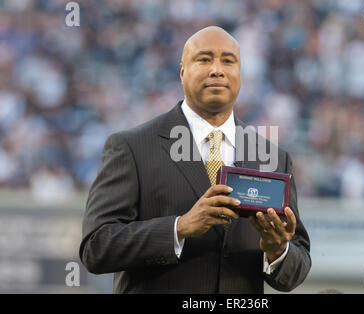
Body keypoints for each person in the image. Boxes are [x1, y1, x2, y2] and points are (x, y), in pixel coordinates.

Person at [79, 26, 311, 293]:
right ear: (182, 71)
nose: (217, 70)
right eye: (204, 59)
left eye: (228, 60)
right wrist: (180, 227)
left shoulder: (273, 157)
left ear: (240, 74)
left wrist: (277, 251)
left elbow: (298, 266)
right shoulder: (132, 147)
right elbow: (95, 247)